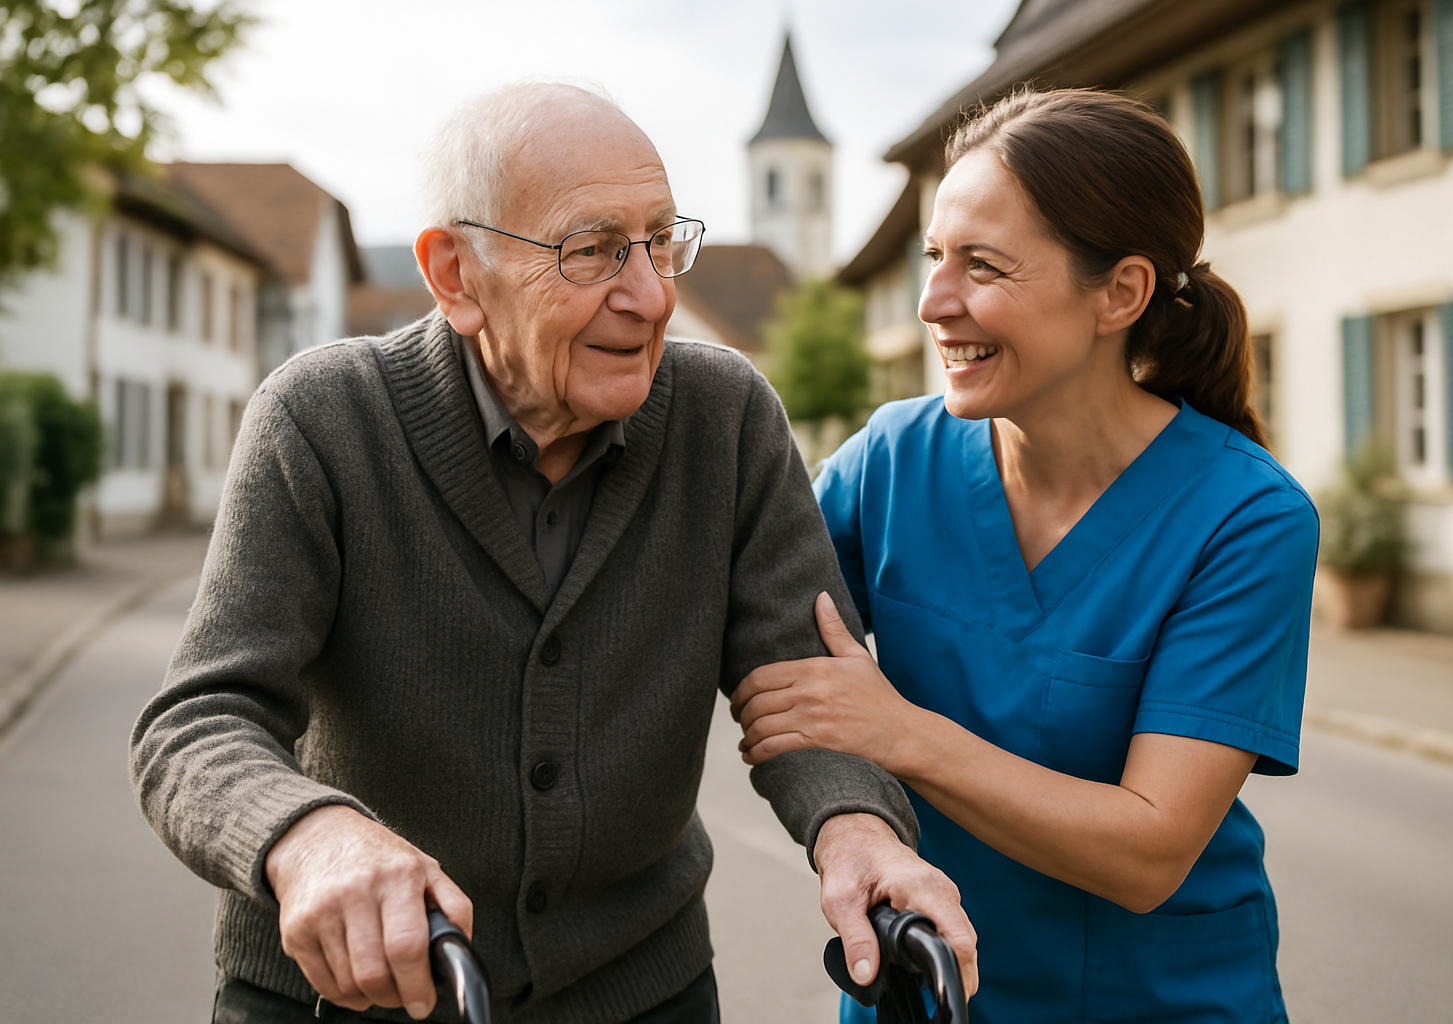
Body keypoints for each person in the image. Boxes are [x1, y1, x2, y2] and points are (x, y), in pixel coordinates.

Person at [130, 83, 975, 1024]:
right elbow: (196, 725)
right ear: (455, 276)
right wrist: (310, 836)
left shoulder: (726, 416)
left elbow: (802, 677)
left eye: (660, 241)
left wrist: (856, 827)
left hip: (639, 990)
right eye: (594, 250)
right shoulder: (322, 420)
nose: (652, 296)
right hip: (347, 997)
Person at [732, 88, 1318, 1024]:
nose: (933, 302)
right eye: (934, 258)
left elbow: (1148, 850)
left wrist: (900, 732)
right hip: (924, 989)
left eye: (983, 266)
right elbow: (742, 604)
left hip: (1156, 1003)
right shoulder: (893, 459)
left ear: (1120, 293)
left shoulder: (1246, 519)